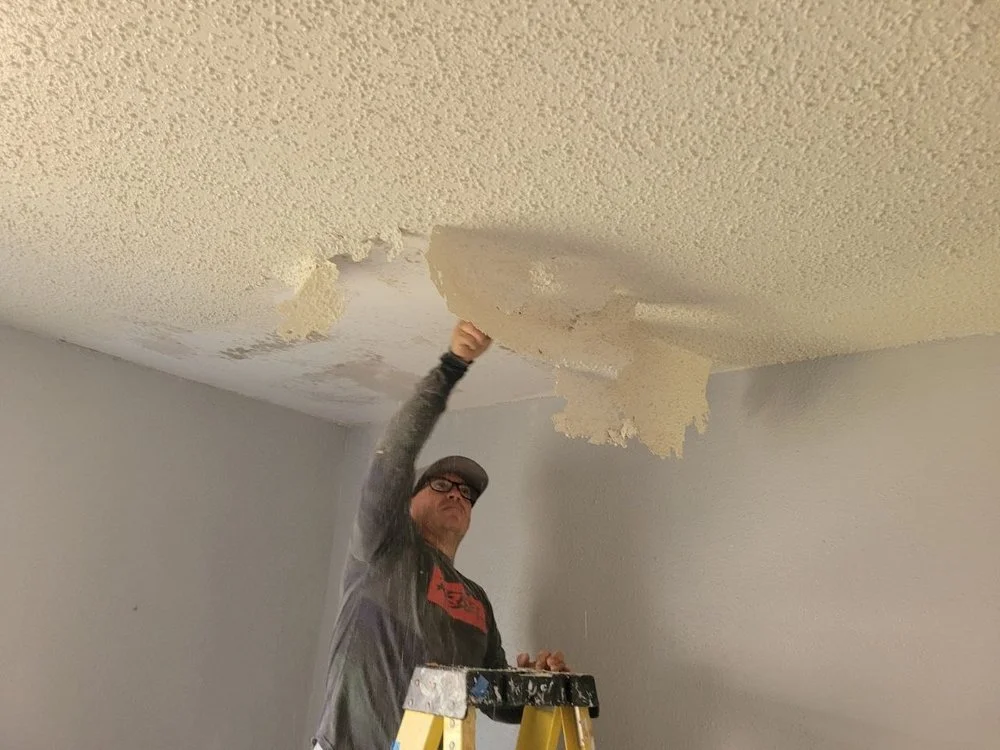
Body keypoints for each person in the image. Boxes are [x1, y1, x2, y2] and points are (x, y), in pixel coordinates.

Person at [311, 320, 569, 750]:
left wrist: (539, 686)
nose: (457, 495)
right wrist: (452, 366)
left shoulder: (476, 600)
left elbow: (491, 699)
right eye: (442, 485)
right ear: (407, 503)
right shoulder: (384, 550)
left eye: (466, 493)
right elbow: (395, 455)